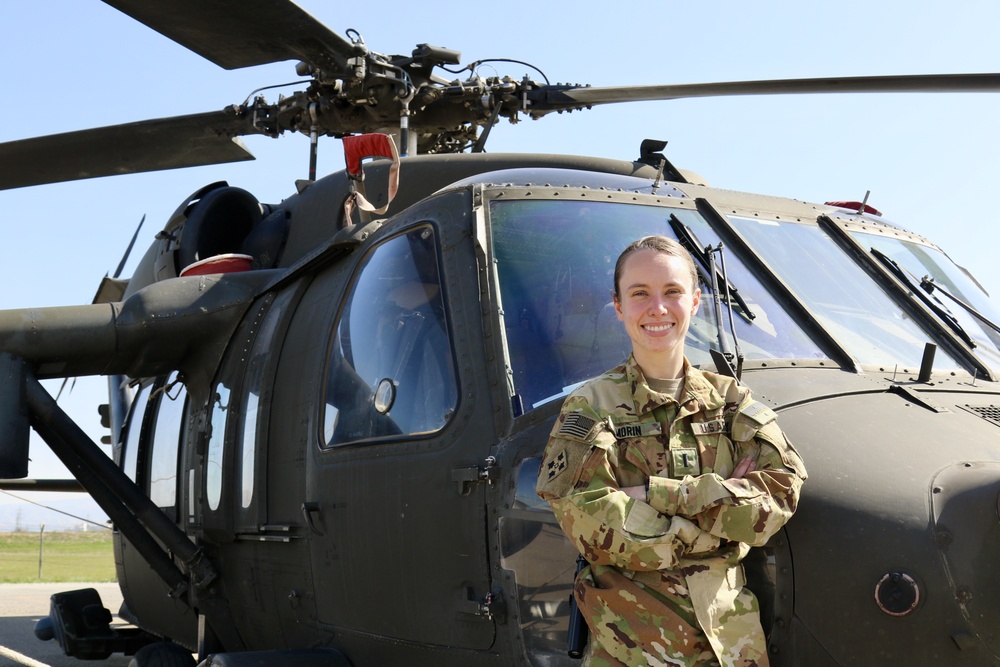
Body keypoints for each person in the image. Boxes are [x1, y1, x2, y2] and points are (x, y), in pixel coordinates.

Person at [536, 236, 806, 666]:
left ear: (695, 301)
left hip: (732, 648)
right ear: (619, 306)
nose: (657, 308)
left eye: (673, 292)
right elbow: (586, 519)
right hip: (632, 649)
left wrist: (660, 496)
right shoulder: (592, 406)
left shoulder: (730, 401)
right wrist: (714, 526)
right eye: (639, 294)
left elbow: (782, 492)